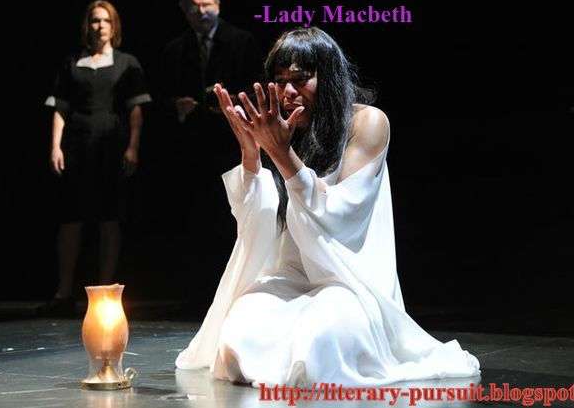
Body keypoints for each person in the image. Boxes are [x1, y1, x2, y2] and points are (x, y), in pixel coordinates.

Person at [175, 27, 480, 387]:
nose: (288, 92)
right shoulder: (280, 127)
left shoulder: (367, 123)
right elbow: (259, 218)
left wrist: (281, 153)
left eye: (300, 79)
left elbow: (339, 213)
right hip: (290, 275)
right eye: (280, 81)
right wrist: (251, 152)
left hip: (346, 282)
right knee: (237, 341)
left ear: (329, 77)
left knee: (316, 346)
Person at [40, 0, 151, 317]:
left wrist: (133, 146)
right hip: (76, 143)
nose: (100, 26)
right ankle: (63, 292)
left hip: (110, 143)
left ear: (114, 27)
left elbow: (136, 110)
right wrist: (55, 146)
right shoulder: (72, 63)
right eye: (95, 21)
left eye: (106, 21)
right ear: (87, 26)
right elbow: (60, 108)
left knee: (108, 216)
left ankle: (104, 293)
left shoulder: (127, 63)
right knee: (70, 217)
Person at [158, 0, 262, 311]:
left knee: (229, 219)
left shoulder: (242, 41)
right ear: (184, 10)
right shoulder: (174, 49)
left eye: (207, 5)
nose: (201, 11)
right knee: (193, 219)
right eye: (194, 6)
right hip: (190, 149)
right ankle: (195, 295)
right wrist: (177, 106)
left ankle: (233, 295)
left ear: (218, 6)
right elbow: (159, 98)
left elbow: (257, 88)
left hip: (231, 145)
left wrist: (229, 105)